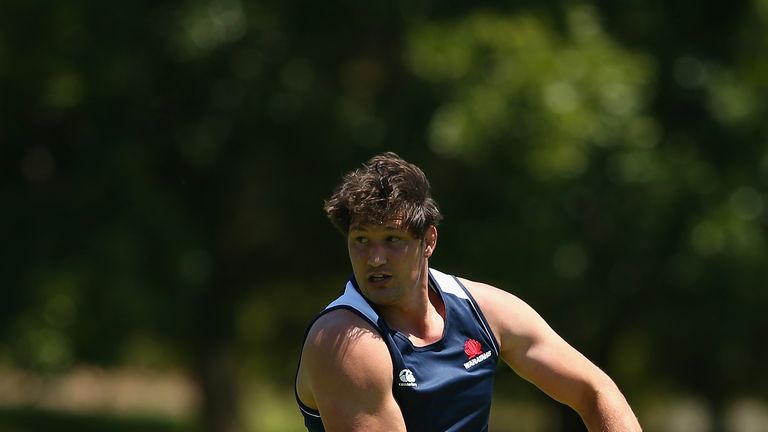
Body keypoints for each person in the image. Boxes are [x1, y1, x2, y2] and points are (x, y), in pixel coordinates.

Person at [295, 152, 642, 431]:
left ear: (428, 241)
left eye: (392, 239)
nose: (374, 258)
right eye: (361, 240)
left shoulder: (482, 310)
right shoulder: (343, 343)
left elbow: (595, 391)